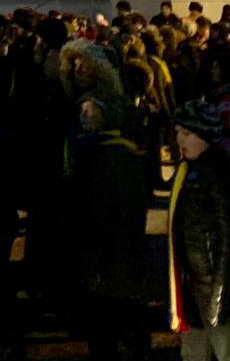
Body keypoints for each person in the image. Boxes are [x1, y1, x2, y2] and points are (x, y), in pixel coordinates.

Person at [167, 101, 230, 361]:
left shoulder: (225, 175)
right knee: (193, 353)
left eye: (187, 133)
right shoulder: (190, 171)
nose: (180, 139)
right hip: (196, 287)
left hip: (220, 291)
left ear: (206, 134)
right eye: (178, 131)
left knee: (229, 352)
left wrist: (220, 298)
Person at [67, 94, 150, 359]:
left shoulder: (115, 153)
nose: (83, 116)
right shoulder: (88, 149)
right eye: (82, 110)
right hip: (103, 250)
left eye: (89, 111)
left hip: (109, 249)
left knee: (113, 311)